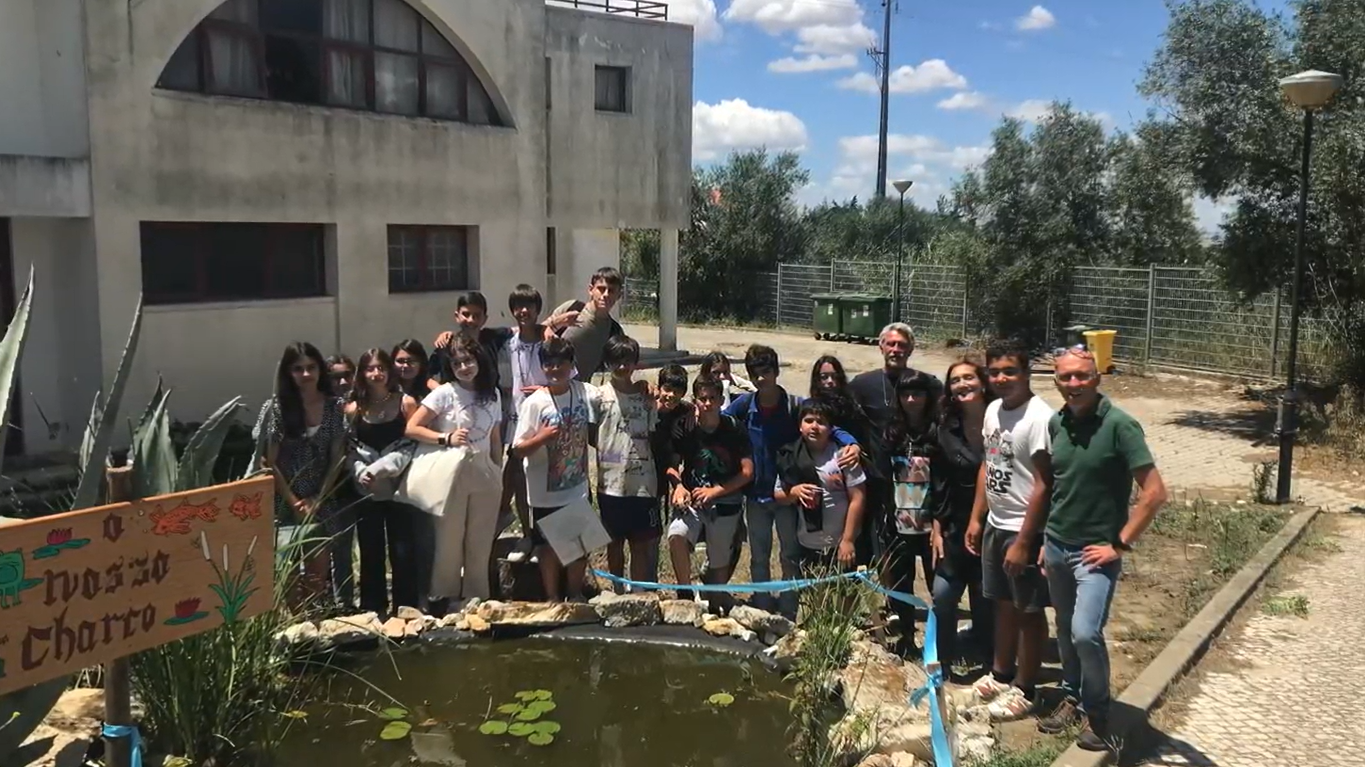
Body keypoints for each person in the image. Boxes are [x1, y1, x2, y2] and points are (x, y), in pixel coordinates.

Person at [1028, 348, 1167, 751]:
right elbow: (1060, 487)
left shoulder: (1121, 426)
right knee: (1066, 630)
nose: (1074, 384)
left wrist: (1119, 544)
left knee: (1086, 632)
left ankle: (1099, 711)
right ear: (1056, 381)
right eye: (1066, 378)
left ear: (1097, 377)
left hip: (1095, 554)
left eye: (1082, 376)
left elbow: (1155, 493)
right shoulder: (1058, 424)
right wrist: (1044, 541)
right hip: (1056, 546)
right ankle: (1072, 696)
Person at [723, 345, 860, 619]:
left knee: (789, 555)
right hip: (757, 495)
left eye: (766, 372)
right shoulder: (745, 406)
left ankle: (789, 607)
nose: (761, 379)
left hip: (789, 494)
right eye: (755, 374)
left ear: (775, 371)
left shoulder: (794, 406)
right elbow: (720, 420)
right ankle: (761, 604)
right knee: (759, 556)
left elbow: (826, 425)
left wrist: (852, 443)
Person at [965, 339, 1054, 721]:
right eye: (995, 371)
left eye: (1010, 371)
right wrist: (976, 517)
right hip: (996, 523)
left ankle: (1026, 687)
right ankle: (1001, 673)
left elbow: (1045, 483)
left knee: (1029, 609)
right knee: (1001, 602)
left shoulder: (1039, 418)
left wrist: (1026, 540)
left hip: (1023, 528)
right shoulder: (993, 411)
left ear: (1026, 372)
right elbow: (989, 463)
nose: (1001, 378)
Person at [404, 336, 504, 609]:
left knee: (480, 539)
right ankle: (444, 597)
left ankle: (477, 597)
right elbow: (412, 428)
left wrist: (498, 470)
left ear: (479, 361)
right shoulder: (444, 393)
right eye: (458, 363)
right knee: (449, 537)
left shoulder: (493, 393)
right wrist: (445, 438)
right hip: (452, 470)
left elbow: (495, 436)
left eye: (468, 361)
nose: (464, 367)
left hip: (485, 469)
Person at [512, 337, 600, 601]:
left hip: (576, 488)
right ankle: (551, 598)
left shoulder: (584, 392)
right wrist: (541, 438)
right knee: (548, 548)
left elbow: (611, 396)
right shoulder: (535, 403)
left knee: (579, 546)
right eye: (548, 364)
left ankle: (574, 594)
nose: (554, 370)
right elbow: (518, 449)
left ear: (571, 365)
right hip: (544, 492)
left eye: (560, 364)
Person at [260, 341, 347, 605]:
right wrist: (294, 501)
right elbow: (268, 461)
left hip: (320, 497)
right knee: (286, 566)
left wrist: (317, 498)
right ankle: (293, 623)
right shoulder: (276, 409)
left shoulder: (334, 407)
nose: (306, 375)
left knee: (318, 563)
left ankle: (313, 621)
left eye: (311, 367)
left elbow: (337, 457)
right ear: (288, 373)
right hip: (283, 498)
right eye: (298, 369)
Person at [345, 348, 421, 616]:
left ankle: (407, 606)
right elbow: (348, 450)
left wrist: (382, 467)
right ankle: (373, 608)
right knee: (370, 549)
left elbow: (413, 446)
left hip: (400, 489)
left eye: (381, 368)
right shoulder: (354, 409)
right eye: (370, 369)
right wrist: (360, 471)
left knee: (403, 550)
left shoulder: (406, 403)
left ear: (389, 371)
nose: (376, 374)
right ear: (362, 374)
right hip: (367, 491)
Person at [931, 353, 995, 667]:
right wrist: (937, 528)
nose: (962, 384)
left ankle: (989, 660)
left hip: (995, 524)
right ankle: (942, 660)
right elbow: (939, 483)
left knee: (986, 597)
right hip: (955, 523)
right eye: (955, 380)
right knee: (943, 595)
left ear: (983, 382)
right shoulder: (946, 429)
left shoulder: (1002, 420)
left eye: (968, 377)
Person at [666, 377, 753, 602]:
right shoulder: (685, 428)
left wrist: (716, 491)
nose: (707, 404)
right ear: (695, 400)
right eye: (702, 399)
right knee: (676, 535)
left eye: (712, 398)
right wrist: (678, 487)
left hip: (725, 502)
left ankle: (713, 598)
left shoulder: (734, 428)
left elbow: (747, 472)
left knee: (718, 564)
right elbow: (672, 465)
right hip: (692, 501)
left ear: (721, 399)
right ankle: (684, 591)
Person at [880, 371, 941, 655]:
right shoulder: (892, 432)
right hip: (899, 523)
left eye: (918, 393)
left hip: (932, 525)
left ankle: (941, 643)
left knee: (937, 588)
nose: (912, 399)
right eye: (906, 394)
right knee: (902, 586)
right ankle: (906, 636)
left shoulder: (939, 430)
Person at [595, 336, 661, 586]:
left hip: (643, 484)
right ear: (607, 362)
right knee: (614, 542)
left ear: (636, 363)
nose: (622, 367)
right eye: (616, 361)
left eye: (627, 361)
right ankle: (617, 591)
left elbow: (654, 433)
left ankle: (639, 594)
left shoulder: (647, 397)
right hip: (610, 483)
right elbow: (592, 434)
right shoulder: (599, 397)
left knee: (640, 543)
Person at [773, 399, 868, 572]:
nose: (814, 427)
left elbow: (858, 498)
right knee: (813, 596)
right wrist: (794, 492)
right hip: (808, 543)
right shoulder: (789, 456)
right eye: (809, 421)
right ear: (800, 426)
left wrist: (848, 540)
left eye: (821, 422)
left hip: (841, 542)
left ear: (831, 429)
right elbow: (779, 495)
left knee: (845, 595)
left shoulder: (843, 455)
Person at [551, 266, 625, 381]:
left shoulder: (614, 331)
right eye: (601, 289)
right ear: (591, 289)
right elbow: (539, 336)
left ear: (619, 295)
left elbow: (621, 367)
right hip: (552, 387)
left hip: (581, 392)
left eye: (611, 290)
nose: (605, 294)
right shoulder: (571, 308)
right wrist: (556, 323)